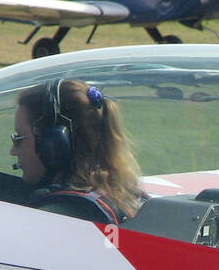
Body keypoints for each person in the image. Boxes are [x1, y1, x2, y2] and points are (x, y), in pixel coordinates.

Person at [11, 79, 144, 225]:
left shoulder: (57, 218)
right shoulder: (125, 194)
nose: (13, 151)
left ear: (54, 143)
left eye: (19, 138)